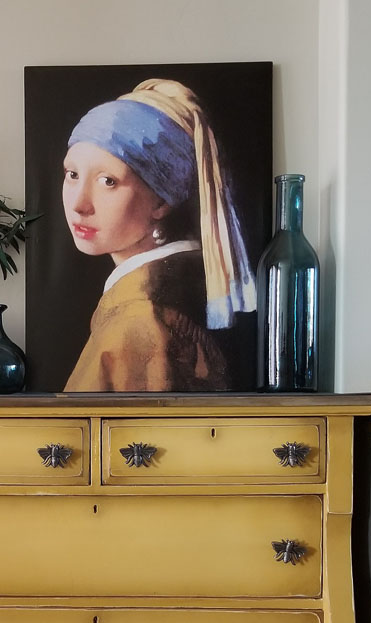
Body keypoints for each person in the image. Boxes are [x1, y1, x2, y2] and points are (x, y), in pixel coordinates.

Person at [62, 78, 256, 392]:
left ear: (162, 200)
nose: (79, 204)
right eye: (72, 174)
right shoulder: (164, 293)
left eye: (108, 181)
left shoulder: (139, 319)